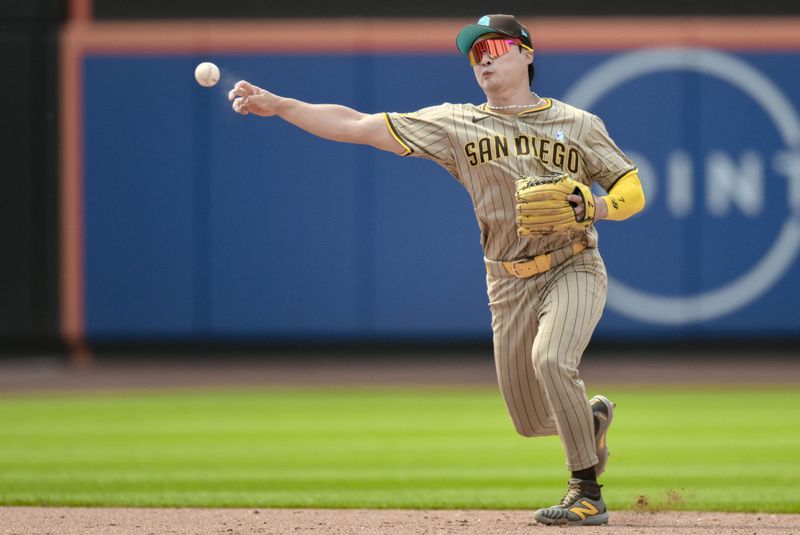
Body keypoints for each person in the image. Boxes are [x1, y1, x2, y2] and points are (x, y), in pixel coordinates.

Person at [228, 14, 645, 526]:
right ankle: (592, 419)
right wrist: (281, 105)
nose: (484, 58)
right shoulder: (455, 124)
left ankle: (586, 492)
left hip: (572, 263)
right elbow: (358, 125)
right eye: (475, 53)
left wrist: (595, 206)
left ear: (527, 53)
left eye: (495, 46)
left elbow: (632, 189)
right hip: (507, 280)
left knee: (552, 358)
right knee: (530, 420)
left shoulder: (578, 124)